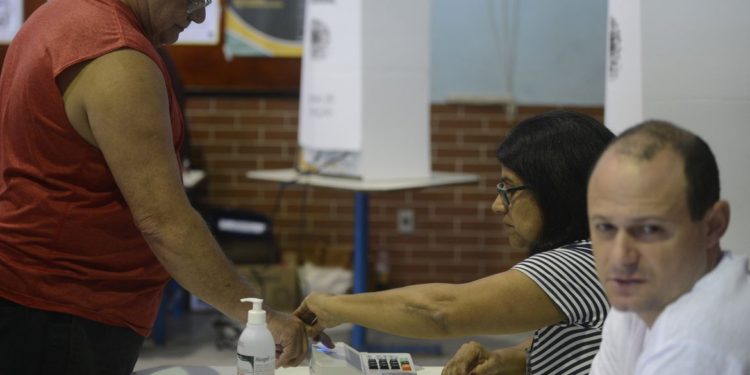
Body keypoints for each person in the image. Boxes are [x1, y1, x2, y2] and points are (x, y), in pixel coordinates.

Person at [0, 0, 308, 373]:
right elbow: (165, 222)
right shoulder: (116, 57)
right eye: (194, 0)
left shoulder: (56, 13)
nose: (200, 16)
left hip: (38, 299)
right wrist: (260, 315)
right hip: (65, 311)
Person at [295, 110, 614, 375]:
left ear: (556, 191)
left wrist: (333, 305)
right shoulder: (597, 256)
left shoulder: (579, 264)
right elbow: (582, 343)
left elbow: (440, 311)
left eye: (509, 189)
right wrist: (506, 359)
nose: (497, 205)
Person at [587, 121, 750, 374]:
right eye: (605, 227)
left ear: (714, 226)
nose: (621, 258)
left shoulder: (696, 343)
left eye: (649, 230)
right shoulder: (636, 306)